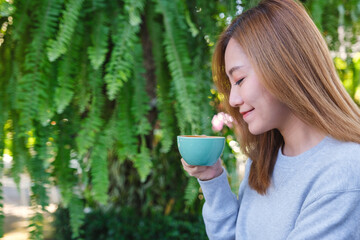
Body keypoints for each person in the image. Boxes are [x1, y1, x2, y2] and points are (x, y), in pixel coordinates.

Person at [181, 0, 360, 239]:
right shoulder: (264, 159)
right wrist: (212, 178)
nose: (232, 99)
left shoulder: (344, 172)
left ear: (284, 66)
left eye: (240, 79)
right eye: (230, 84)